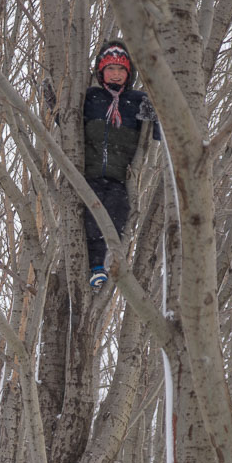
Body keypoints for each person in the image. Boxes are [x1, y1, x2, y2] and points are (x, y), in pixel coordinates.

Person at [82, 40, 160, 287]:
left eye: (121, 70)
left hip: (120, 177)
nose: (115, 75)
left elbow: (157, 134)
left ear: (129, 73)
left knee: (115, 217)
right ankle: (95, 267)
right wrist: (54, 106)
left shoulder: (137, 99)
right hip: (90, 174)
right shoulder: (91, 97)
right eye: (110, 69)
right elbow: (70, 125)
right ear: (101, 71)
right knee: (90, 221)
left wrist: (152, 116)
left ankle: (109, 263)